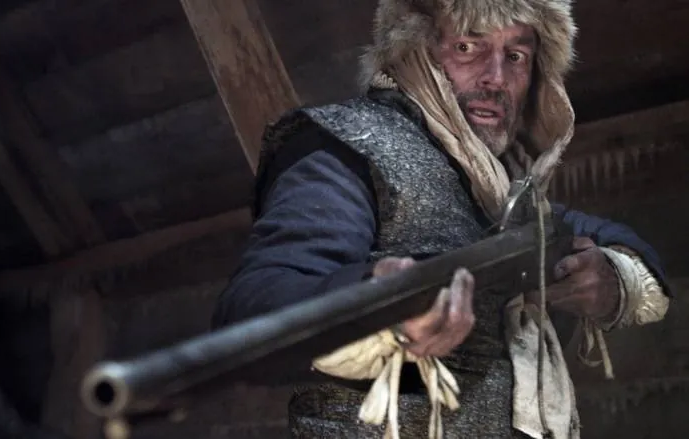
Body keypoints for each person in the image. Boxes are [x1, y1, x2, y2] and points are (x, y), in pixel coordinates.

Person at [212, 0, 672, 437]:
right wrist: (380, 306)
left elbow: (614, 245)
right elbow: (253, 311)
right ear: (415, 48)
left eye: (516, 56)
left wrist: (608, 277)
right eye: (468, 47)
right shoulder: (343, 147)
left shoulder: (498, 187)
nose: (496, 78)